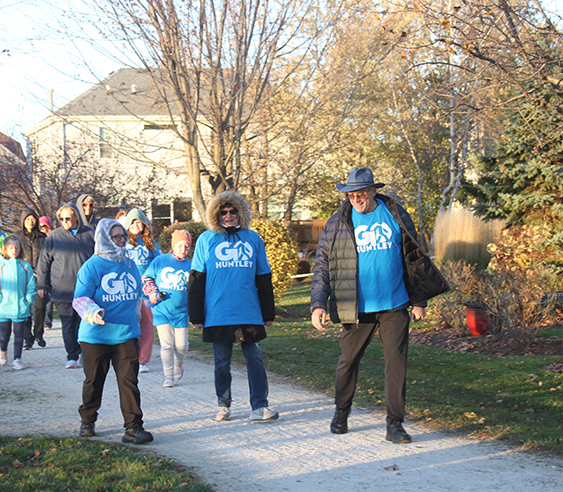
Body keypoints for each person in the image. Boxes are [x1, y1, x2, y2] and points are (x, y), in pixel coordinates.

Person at [311, 167, 449, 444]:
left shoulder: (395, 214)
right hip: (357, 307)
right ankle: (341, 411)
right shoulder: (338, 222)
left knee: (396, 363)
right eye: (351, 195)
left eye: (361, 193)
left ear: (374, 191)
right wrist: (318, 304)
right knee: (348, 361)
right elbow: (323, 265)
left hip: (394, 304)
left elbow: (414, 257)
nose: (356, 199)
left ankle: (394, 424)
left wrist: (418, 300)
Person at [188, 191, 279, 422]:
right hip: (218, 313)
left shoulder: (253, 239)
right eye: (223, 212)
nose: (228, 216)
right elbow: (197, 278)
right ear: (216, 214)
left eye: (233, 211)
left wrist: (268, 312)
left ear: (241, 213)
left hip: (248, 311)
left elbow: (263, 277)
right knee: (221, 363)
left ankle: (259, 406)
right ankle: (223, 404)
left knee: (255, 360)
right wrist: (196, 314)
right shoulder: (206, 240)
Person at [73, 219, 153, 444]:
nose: (121, 241)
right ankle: (87, 421)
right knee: (94, 381)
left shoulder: (129, 263)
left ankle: (133, 428)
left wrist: (150, 294)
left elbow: (139, 290)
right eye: (116, 237)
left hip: (126, 334)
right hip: (96, 336)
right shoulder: (92, 266)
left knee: (129, 382)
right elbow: (79, 298)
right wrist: (93, 312)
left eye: (122, 236)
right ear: (104, 239)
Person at [37, 203, 95, 368]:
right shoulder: (54, 236)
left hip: (86, 289)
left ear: (76, 216)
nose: (64, 221)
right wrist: (42, 284)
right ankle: (72, 355)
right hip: (62, 289)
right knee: (68, 323)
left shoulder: (89, 234)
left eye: (68, 218)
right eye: (61, 219)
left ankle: (86, 353)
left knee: (85, 322)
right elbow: (44, 262)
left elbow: (99, 259)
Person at [143, 230, 192, 387]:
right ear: (173, 246)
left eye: (187, 246)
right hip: (161, 309)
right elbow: (146, 277)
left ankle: (179, 361)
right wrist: (152, 292)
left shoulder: (191, 265)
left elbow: (195, 287)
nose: (183, 249)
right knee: (167, 345)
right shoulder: (160, 260)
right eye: (180, 245)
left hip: (182, 312)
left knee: (182, 345)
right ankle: (168, 375)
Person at [0, 235, 36, 370]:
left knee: (19, 335)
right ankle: (2, 351)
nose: (14, 250)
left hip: (20, 307)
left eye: (16, 247)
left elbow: (31, 286)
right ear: (5, 249)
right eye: (11, 248)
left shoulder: (25, 266)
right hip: (4, 307)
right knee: (4, 334)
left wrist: (28, 300)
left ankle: (17, 359)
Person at [123, 208, 160, 373]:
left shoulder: (150, 243)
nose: (138, 225)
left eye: (141, 223)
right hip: (126, 292)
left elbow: (159, 264)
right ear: (128, 225)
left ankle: (142, 360)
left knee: (146, 326)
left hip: (146, 292)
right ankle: (126, 357)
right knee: (128, 325)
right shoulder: (122, 242)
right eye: (134, 222)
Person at [17, 208, 47, 350]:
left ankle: (39, 334)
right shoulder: (17, 237)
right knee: (25, 308)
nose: (30, 221)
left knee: (40, 306)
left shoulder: (42, 238)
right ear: (23, 221)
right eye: (27, 219)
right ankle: (27, 338)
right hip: (22, 277)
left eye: (32, 219)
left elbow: (47, 258)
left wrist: (40, 273)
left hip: (38, 278)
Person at [37, 215, 54, 330]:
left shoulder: (53, 238)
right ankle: (39, 320)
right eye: (40, 226)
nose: (42, 228)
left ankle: (47, 322)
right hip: (40, 270)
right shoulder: (38, 239)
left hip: (53, 271)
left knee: (50, 299)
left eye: (44, 226)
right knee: (40, 297)